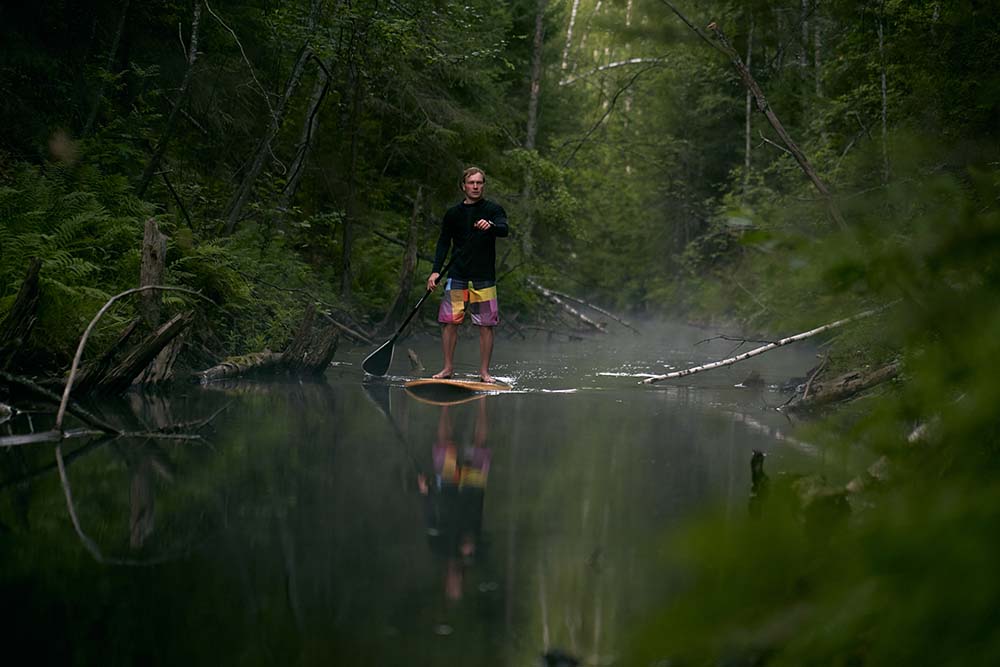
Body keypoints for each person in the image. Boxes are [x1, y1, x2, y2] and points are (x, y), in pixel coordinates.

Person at [427, 167, 509, 383]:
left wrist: (490, 226)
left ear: (483, 185)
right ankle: (447, 369)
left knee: (485, 326)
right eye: (471, 183)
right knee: (450, 322)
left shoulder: (493, 209)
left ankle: (484, 373)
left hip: (484, 277)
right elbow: (444, 242)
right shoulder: (453, 214)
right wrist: (436, 270)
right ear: (463, 186)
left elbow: (504, 229)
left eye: (479, 183)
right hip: (457, 275)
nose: (475, 186)